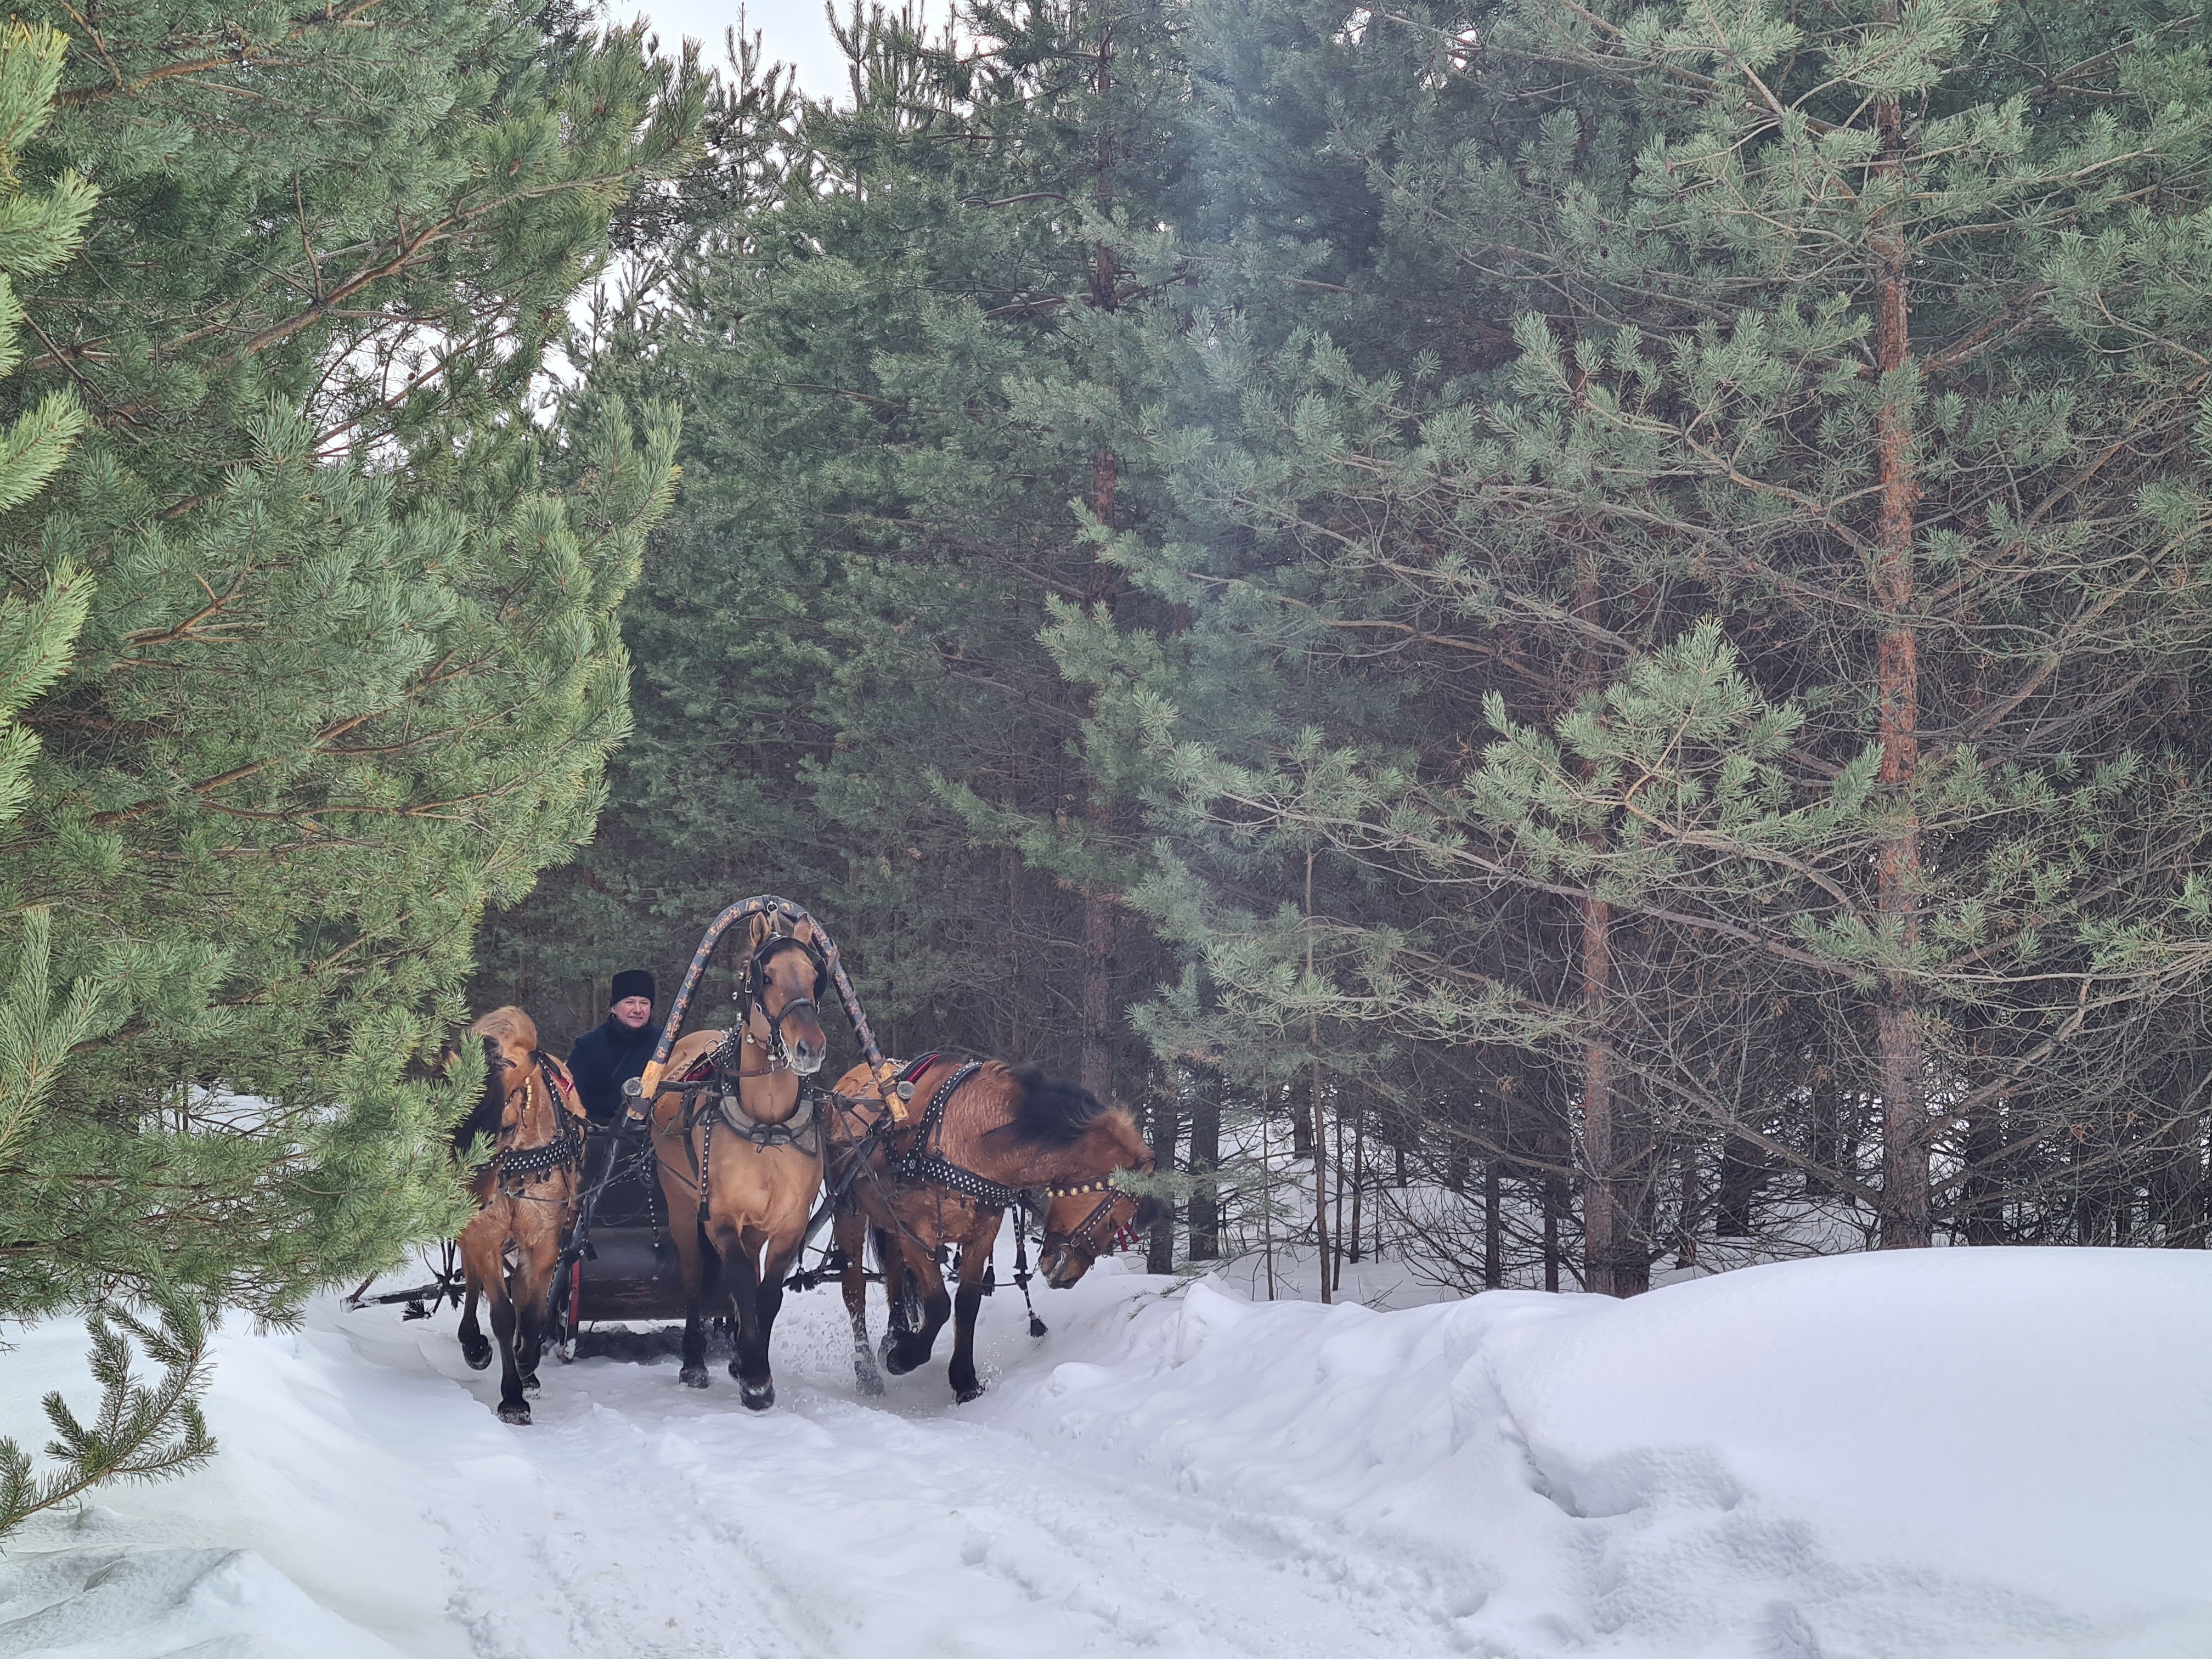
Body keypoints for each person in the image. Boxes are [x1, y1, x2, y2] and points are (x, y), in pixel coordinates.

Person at [567, 969, 658, 1126]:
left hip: (654, 1133)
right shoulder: (588, 1045)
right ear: (614, 1008)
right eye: (630, 1002)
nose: (638, 1010)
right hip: (597, 1133)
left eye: (644, 1003)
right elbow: (569, 1098)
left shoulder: (664, 1044)